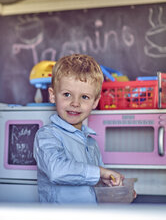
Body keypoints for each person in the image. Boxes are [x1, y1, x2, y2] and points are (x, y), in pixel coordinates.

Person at [33, 54, 124, 204]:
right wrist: (100, 172)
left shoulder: (91, 144)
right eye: (67, 94)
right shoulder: (47, 135)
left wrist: (113, 187)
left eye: (85, 97)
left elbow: (93, 182)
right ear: (53, 95)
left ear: (95, 102)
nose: (75, 103)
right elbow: (57, 171)